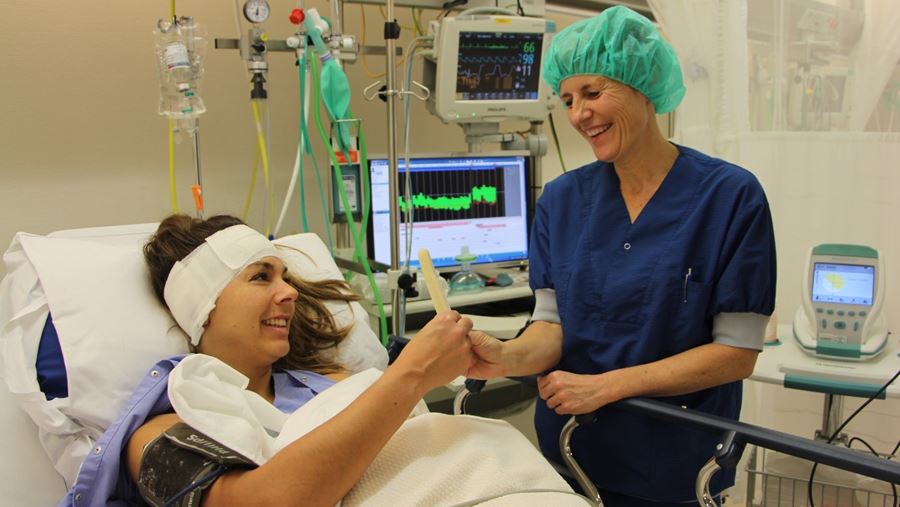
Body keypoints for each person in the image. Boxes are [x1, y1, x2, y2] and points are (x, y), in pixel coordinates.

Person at [467, 6, 776, 506]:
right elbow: (551, 329)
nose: (578, 114)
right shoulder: (562, 201)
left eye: (593, 92)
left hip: (678, 463)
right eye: (567, 100)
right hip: (569, 456)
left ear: (643, 86)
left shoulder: (730, 197)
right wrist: (502, 356)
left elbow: (736, 353)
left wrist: (608, 386)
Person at [60, 214, 475, 506]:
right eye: (261, 276)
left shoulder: (336, 384)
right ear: (204, 307)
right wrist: (411, 376)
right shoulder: (160, 435)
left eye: (285, 277)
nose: (290, 293)